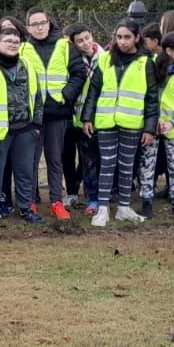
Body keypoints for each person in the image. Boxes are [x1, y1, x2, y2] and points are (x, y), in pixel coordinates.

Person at [81, 20, 157, 227]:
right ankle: (103, 209)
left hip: (132, 122)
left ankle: (124, 207)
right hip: (105, 121)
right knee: (106, 164)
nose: (122, 42)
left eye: (127, 37)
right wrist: (87, 117)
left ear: (137, 38)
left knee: (126, 166)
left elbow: (152, 97)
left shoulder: (146, 62)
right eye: (119, 37)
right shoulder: (105, 60)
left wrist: (150, 128)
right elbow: (93, 90)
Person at [22, 8, 88, 220]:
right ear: (28, 28)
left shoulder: (64, 46)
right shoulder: (23, 48)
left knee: (55, 159)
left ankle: (56, 202)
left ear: (49, 24)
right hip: (33, 115)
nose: (39, 27)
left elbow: (78, 74)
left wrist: (66, 95)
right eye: (35, 24)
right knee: (30, 160)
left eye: (43, 22)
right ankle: (29, 202)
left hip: (57, 112)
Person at [0, 26, 43, 226]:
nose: (13, 44)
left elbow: (37, 96)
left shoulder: (28, 66)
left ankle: (25, 209)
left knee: (25, 172)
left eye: (16, 42)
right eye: (8, 41)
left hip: (25, 129)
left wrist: (36, 124)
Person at [141, 32, 174, 217]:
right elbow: (147, 96)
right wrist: (153, 121)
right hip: (152, 127)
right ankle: (146, 201)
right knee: (147, 163)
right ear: (169, 50)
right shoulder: (152, 67)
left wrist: (173, 122)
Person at [62, 24, 101, 213]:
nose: (86, 43)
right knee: (68, 157)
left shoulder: (104, 57)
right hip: (72, 116)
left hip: (94, 118)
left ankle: (93, 197)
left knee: (91, 159)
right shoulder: (70, 60)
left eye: (87, 38)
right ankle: (72, 191)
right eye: (80, 41)